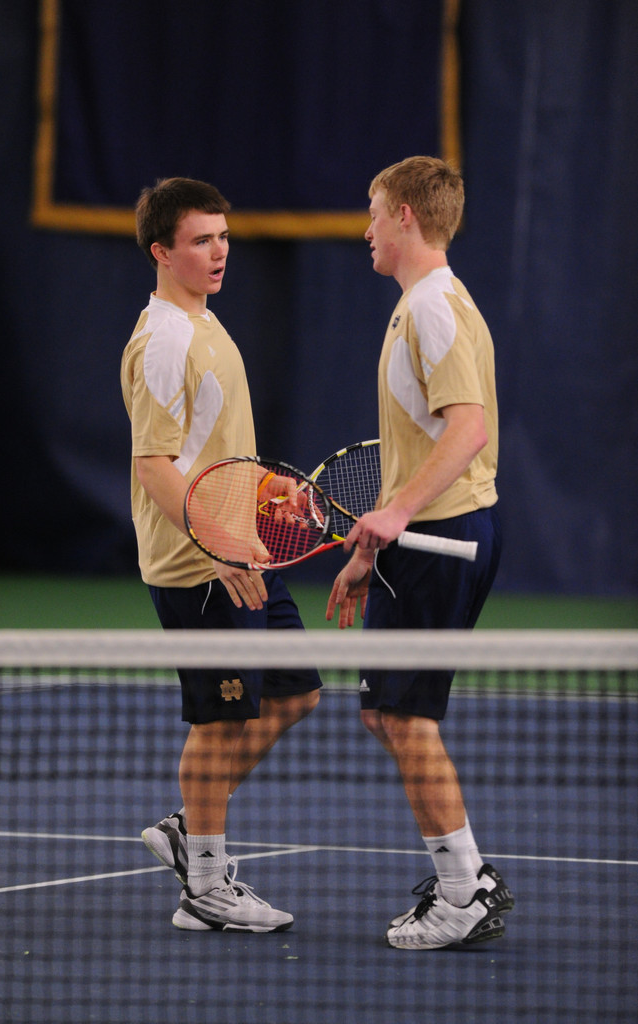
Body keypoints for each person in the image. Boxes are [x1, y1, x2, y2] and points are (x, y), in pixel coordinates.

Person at [120, 177, 321, 933]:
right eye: (201, 239)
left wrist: (272, 493)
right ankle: (204, 888)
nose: (219, 251)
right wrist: (219, 544)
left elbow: (217, 452)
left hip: (245, 555)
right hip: (202, 570)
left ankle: (186, 828)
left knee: (297, 694)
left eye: (223, 237)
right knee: (219, 725)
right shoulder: (165, 340)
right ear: (161, 251)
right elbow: (156, 464)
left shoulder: (206, 325)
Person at [326, 156, 514, 950]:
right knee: (384, 711)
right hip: (425, 537)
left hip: (440, 537)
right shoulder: (425, 304)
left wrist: (397, 514)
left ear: (404, 215)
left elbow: (466, 426)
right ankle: (466, 874)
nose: (365, 230)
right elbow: (434, 439)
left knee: (401, 716)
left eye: (372, 213)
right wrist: (376, 543)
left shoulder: (432, 308)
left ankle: (461, 892)